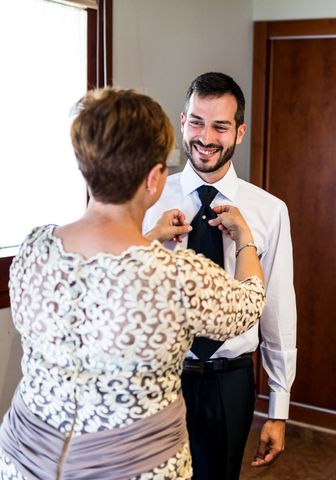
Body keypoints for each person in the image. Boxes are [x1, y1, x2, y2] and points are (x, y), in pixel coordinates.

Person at [0, 88, 266, 480]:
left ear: (84, 165)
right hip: (131, 466)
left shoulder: (35, 248)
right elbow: (250, 301)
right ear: (156, 177)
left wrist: (150, 238)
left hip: (26, 458)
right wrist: (245, 238)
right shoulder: (177, 277)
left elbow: (101, 292)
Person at [144, 72, 296, 479]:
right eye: (196, 121)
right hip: (160, 375)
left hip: (231, 380)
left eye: (220, 126)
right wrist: (149, 238)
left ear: (239, 132)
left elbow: (278, 310)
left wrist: (278, 408)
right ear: (181, 121)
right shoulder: (148, 199)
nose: (205, 136)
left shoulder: (269, 211)